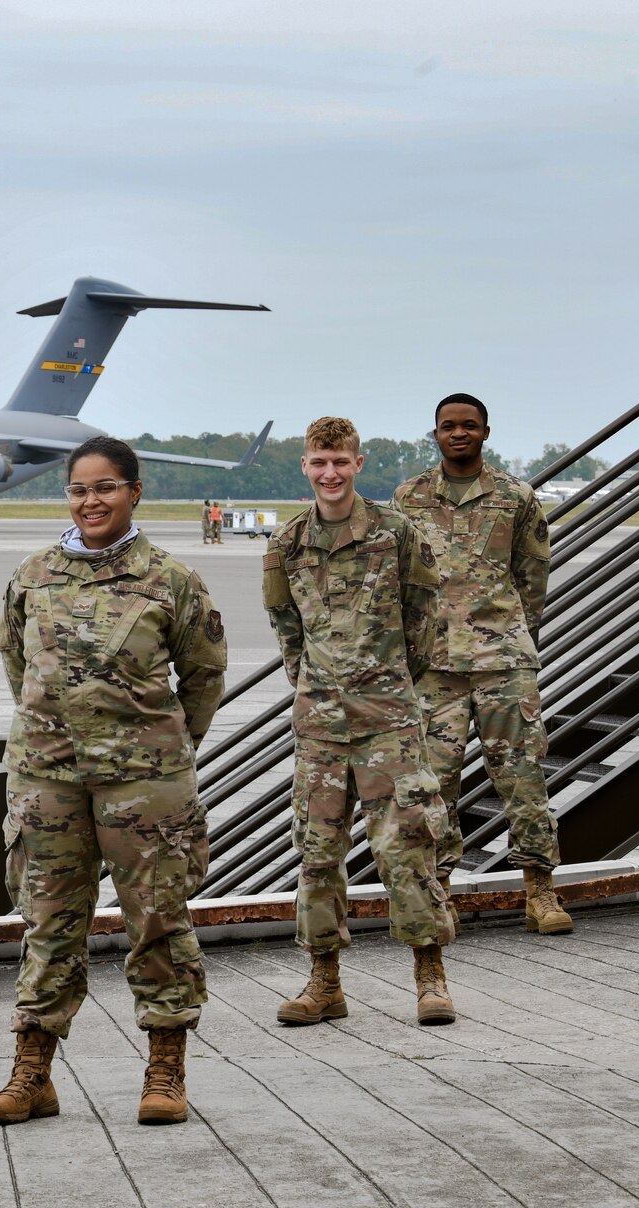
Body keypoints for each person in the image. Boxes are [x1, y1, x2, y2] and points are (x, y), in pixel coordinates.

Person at [0, 438, 224, 1128]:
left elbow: (203, 677)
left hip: (145, 785)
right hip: (50, 780)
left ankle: (165, 1066)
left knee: (157, 920)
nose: (91, 501)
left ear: (135, 491)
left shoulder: (170, 579)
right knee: (49, 923)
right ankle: (32, 1072)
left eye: (106, 487)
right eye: (79, 489)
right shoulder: (33, 575)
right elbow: (15, 659)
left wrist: (165, 750)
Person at [266, 416, 458, 1027]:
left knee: (406, 850)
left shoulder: (397, 533)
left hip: (388, 725)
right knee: (318, 854)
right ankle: (324, 982)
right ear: (305, 465)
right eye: (319, 462)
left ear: (358, 464)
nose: (330, 473)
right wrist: (317, 684)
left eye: (340, 462)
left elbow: (425, 618)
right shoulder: (288, 543)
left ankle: (430, 976)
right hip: (319, 725)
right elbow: (286, 626)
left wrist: (391, 684)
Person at [394, 394, 566, 933]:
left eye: (469, 425)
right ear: (436, 433)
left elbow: (533, 574)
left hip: (502, 660)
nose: (459, 433)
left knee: (522, 776)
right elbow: (398, 575)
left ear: (486, 431)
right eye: (449, 426)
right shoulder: (409, 497)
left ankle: (540, 892)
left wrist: (515, 633)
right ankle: (439, 891)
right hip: (435, 667)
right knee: (433, 784)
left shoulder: (516, 496)